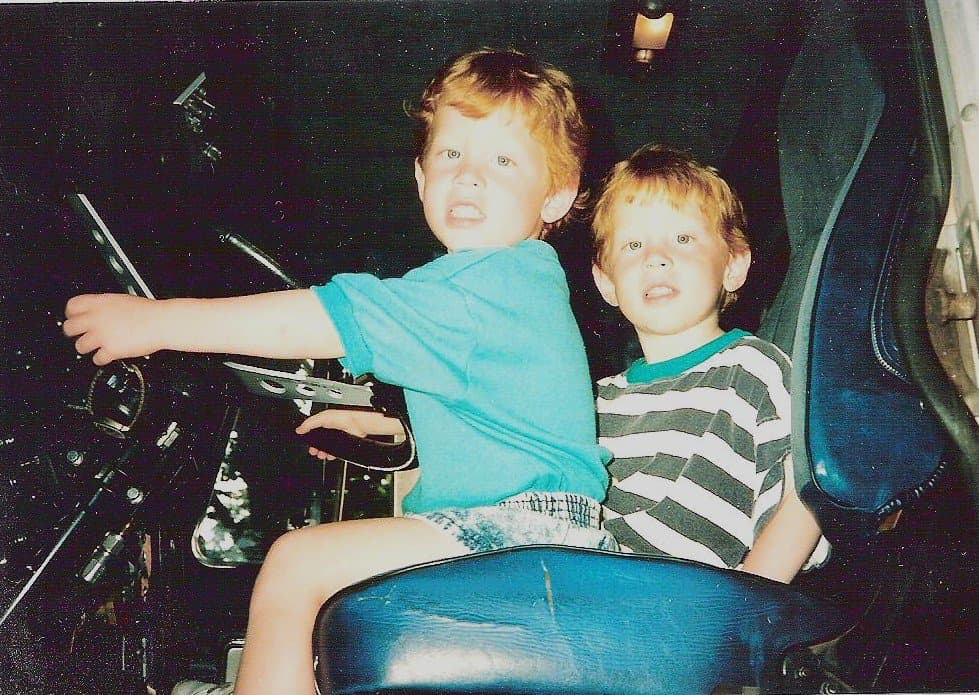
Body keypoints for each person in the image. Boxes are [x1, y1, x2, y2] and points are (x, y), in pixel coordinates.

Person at [63, 48, 617, 695]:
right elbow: (497, 415)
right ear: (419, 176)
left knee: (298, 560)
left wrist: (155, 323)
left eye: (502, 160)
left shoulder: (487, 280)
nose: (468, 176)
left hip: (521, 534)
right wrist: (391, 429)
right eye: (450, 154)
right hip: (541, 533)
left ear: (556, 194)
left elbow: (330, 317)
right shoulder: (520, 288)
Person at [590, 143, 829, 582]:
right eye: (633, 244)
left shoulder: (754, 370)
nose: (655, 256)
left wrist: (745, 605)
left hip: (695, 607)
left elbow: (806, 495)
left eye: (683, 239)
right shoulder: (594, 403)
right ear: (606, 283)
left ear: (734, 267)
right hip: (595, 592)